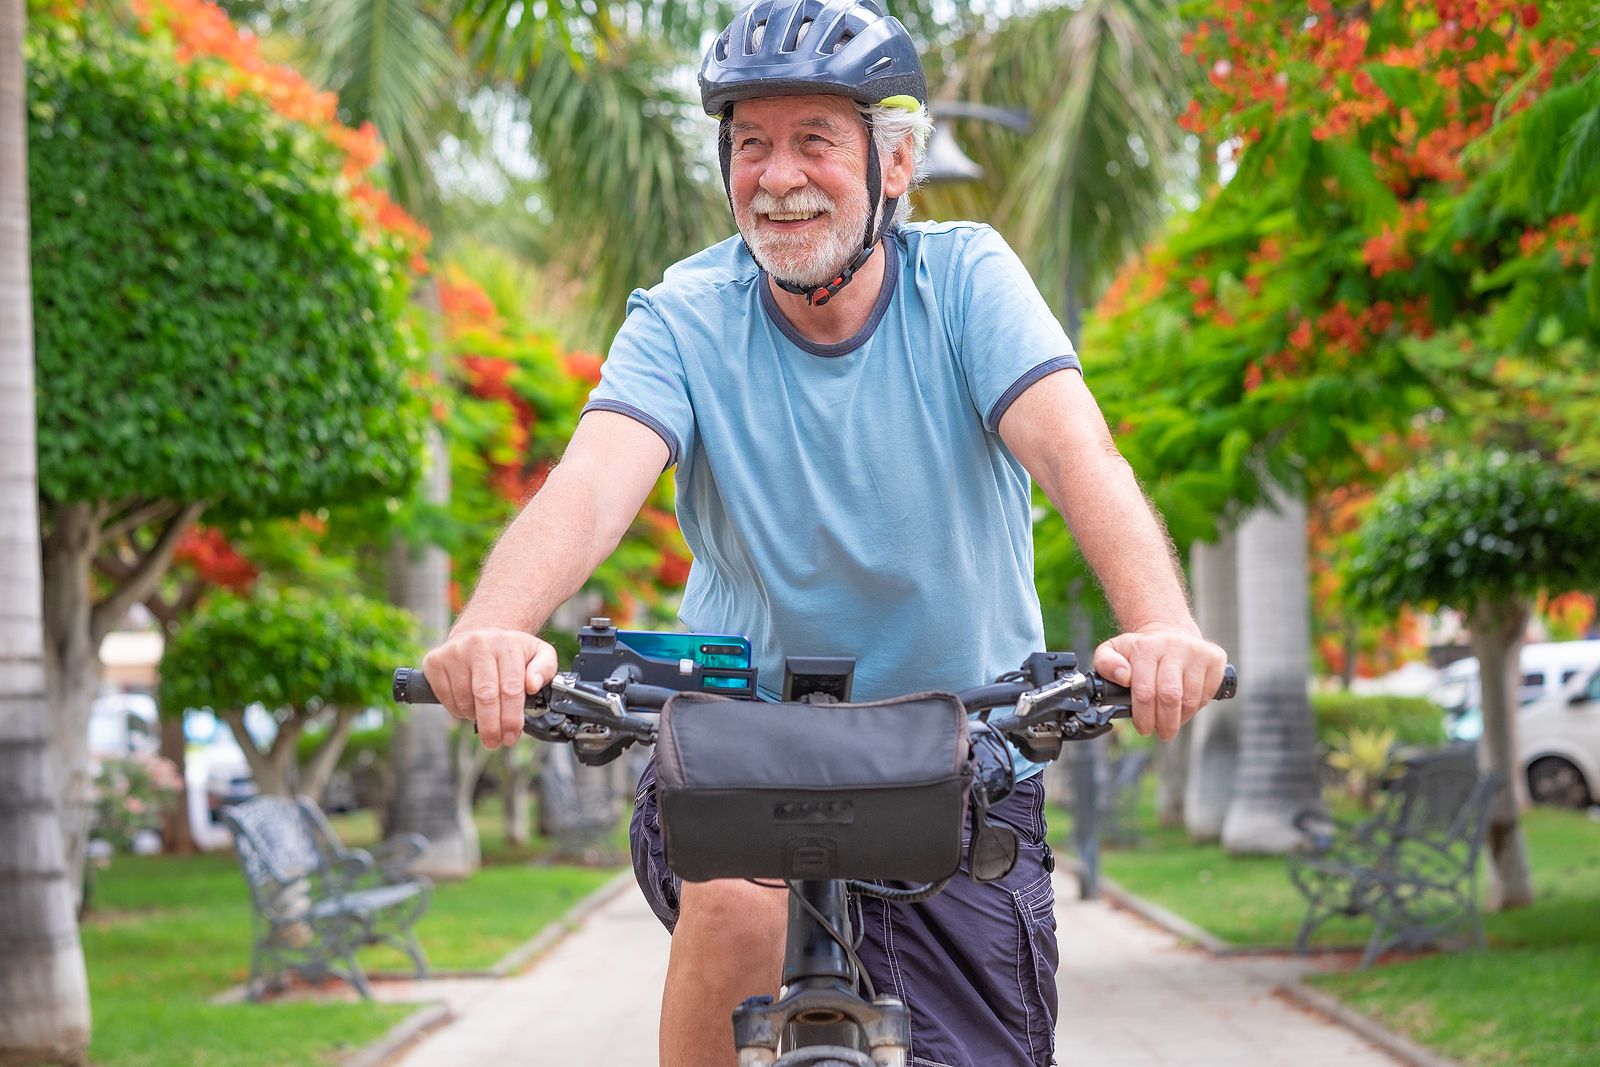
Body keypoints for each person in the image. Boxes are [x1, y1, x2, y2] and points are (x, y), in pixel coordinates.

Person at [421, 0, 1228, 1063]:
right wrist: (494, 626)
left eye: (813, 141)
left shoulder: (969, 281)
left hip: (965, 763)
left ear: (892, 166)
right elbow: (589, 483)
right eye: (750, 143)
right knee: (739, 905)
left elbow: (1082, 459)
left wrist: (1160, 625)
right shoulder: (682, 316)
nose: (776, 175)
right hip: (739, 759)